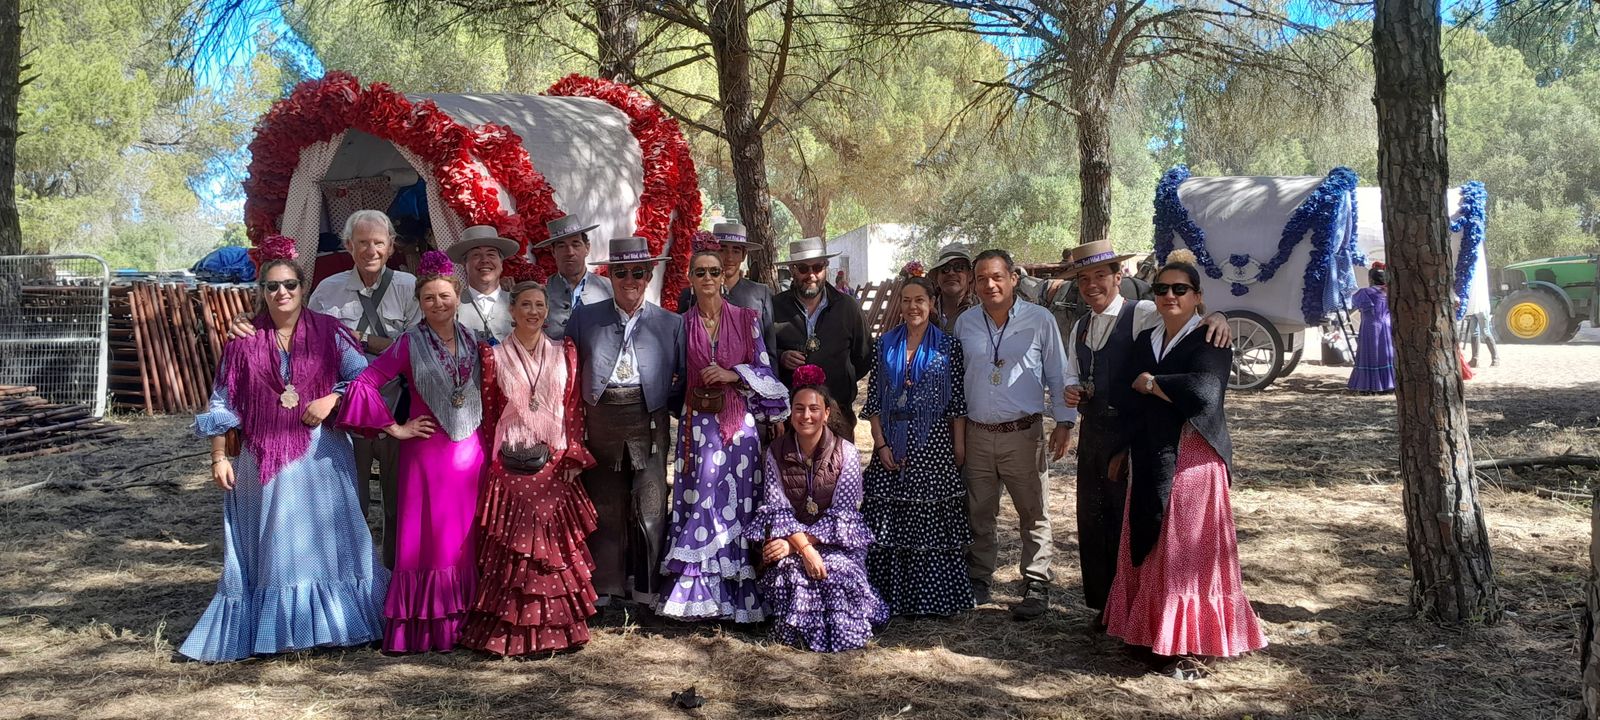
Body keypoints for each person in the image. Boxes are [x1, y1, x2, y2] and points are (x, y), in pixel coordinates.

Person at [182, 252, 388, 662]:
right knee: (279, 538)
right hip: (262, 454)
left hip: (322, 452)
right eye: (272, 286)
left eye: (289, 285)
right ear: (261, 291)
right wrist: (219, 456)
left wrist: (332, 398)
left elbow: (363, 375)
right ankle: (280, 629)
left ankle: (341, 623)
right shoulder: (243, 341)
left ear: (303, 288)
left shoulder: (329, 332)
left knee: (330, 536)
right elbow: (223, 400)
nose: (281, 292)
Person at [1107, 249, 1267, 679]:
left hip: (1193, 458)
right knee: (1152, 539)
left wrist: (1152, 383)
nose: (1169, 296)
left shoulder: (1211, 338)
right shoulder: (1147, 338)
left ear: (1198, 296)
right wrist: (1138, 409)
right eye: (1161, 289)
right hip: (1150, 453)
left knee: (1186, 550)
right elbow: (1126, 390)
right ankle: (1148, 631)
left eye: (1180, 289)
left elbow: (1205, 392)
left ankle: (1189, 640)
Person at [1060, 241, 1230, 620]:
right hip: (1095, 432)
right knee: (1093, 521)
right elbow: (1074, 370)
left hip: (1136, 432)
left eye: (1100, 276)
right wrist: (1072, 390)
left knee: (1133, 522)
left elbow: (1186, 317)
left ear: (1118, 277)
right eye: (1084, 279)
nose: (1092, 285)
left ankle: (1140, 612)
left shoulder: (1142, 315)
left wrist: (1219, 315)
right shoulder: (1080, 326)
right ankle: (1108, 609)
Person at [339, 250, 485, 652]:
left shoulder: (475, 340)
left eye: (444, 296)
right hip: (426, 457)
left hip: (471, 455)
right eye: (428, 298)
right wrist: (395, 428)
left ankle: (467, 622)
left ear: (457, 296)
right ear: (418, 303)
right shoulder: (408, 343)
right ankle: (428, 626)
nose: (438, 304)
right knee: (431, 541)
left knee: (463, 540)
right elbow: (364, 383)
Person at [461, 281, 601, 655]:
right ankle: (512, 633)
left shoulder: (565, 353)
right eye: (526, 305)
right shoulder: (493, 356)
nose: (534, 312)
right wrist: (495, 463)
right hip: (511, 461)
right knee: (515, 553)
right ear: (512, 310)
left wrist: (572, 455)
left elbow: (573, 408)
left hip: (554, 459)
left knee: (554, 552)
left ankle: (559, 630)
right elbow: (490, 412)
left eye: (540, 305)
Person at [658, 251, 790, 622]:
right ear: (690, 278)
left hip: (738, 426)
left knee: (739, 503)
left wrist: (734, 375)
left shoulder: (747, 320)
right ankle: (701, 596)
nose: (708, 278)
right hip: (697, 425)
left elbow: (767, 371)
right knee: (701, 497)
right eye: (700, 272)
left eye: (714, 271)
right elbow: (672, 373)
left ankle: (736, 595)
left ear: (724, 277)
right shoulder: (681, 324)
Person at [955, 248, 1074, 620]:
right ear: (974, 284)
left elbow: (1057, 373)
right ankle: (978, 577)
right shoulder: (965, 323)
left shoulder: (1040, 320)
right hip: (977, 434)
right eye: (981, 279)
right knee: (979, 511)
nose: (989, 285)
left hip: (1024, 434)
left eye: (997, 277)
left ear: (1013, 279)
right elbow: (957, 382)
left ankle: (1036, 582)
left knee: (1033, 511)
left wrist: (1065, 422)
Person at [567, 237, 686, 608]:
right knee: (605, 503)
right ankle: (607, 586)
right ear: (610, 274)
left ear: (650, 275)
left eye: (638, 272)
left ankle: (647, 587)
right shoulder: (586, 317)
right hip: (601, 419)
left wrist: (667, 409)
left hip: (649, 421)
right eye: (621, 272)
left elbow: (684, 377)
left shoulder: (671, 323)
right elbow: (568, 372)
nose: (630, 280)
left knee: (651, 502)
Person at [306, 209, 419, 569]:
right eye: (363, 243)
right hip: (346, 411)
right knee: (349, 500)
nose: (371, 250)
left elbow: (416, 347)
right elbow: (310, 346)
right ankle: (353, 577)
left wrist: (363, 340)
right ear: (349, 246)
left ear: (390, 247)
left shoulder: (407, 286)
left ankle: (393, 574)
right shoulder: (328, 290)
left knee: (397, 501)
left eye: (378, 243)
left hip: (398, 407)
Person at [748, 368, 888, 651]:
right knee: (791, 576)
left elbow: (844, 514)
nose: (806, 416)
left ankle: (838, 632)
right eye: (799, 409)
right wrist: (801, 549)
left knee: (834, 576)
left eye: (814, 408)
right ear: (790, 413)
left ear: (826, 413)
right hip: (794, 540)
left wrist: (800, 547)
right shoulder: (775, 452)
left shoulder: (846, 452)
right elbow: (778, 510)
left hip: (836, 542)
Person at [860, 276, 973, 617]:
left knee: (928, 522)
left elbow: (956, 404)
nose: (913, 307)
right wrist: (880, 445)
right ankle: (891, 596)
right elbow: (874, 401)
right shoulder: (885, 345)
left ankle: (929, 599)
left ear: (931, 303)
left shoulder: (948, 347)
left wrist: (958, 448)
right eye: (906, 300)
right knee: (890, 522)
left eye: (919, 300)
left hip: (934, 444)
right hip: (891, 444)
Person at [772, 237, 872, 437]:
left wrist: (841, 383)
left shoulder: (848, 308)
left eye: (817, 267)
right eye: (803, 268)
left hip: (838, 416)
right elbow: (763, 355)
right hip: (789, 419)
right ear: (792, 270)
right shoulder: (774, 307)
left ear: (826, 267)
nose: (811, 275)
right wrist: (781, 356)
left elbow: (864, 357)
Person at [676, 222, 775, 349]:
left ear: (744, 255)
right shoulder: (691, 295)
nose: (729, 257)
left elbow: (770, 348)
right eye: (722, 249)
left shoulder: (760, 293)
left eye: (736, 250)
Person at [537, 216, 615, 339]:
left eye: (576, 244)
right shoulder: (541, 292)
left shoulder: (609, 288)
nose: (570, 252)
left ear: (587, 248)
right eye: (562, 246)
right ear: (553, 252)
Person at [449, 225, 518, 344]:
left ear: (501, 263)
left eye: (491, 254)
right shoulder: (452, 307)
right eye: (476, 255)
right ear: (464, 263)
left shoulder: (519, 302)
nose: (484, 260)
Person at [1349, 263, 1396, 394]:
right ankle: (1389, 384)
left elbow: (1356, 306)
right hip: (1387, 326)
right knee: (1386, 354)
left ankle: (1368, 385)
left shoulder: (1365, 292)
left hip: (1370, 327)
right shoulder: (1390, 292)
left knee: (1370, 354)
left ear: (1371, 279)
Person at [929, 243, 977, 333]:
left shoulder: (981, 309)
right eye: (945, 268)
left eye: (958, 267)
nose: (951, 273)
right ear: (937, 276)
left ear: (970, 275)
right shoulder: (925, 309)